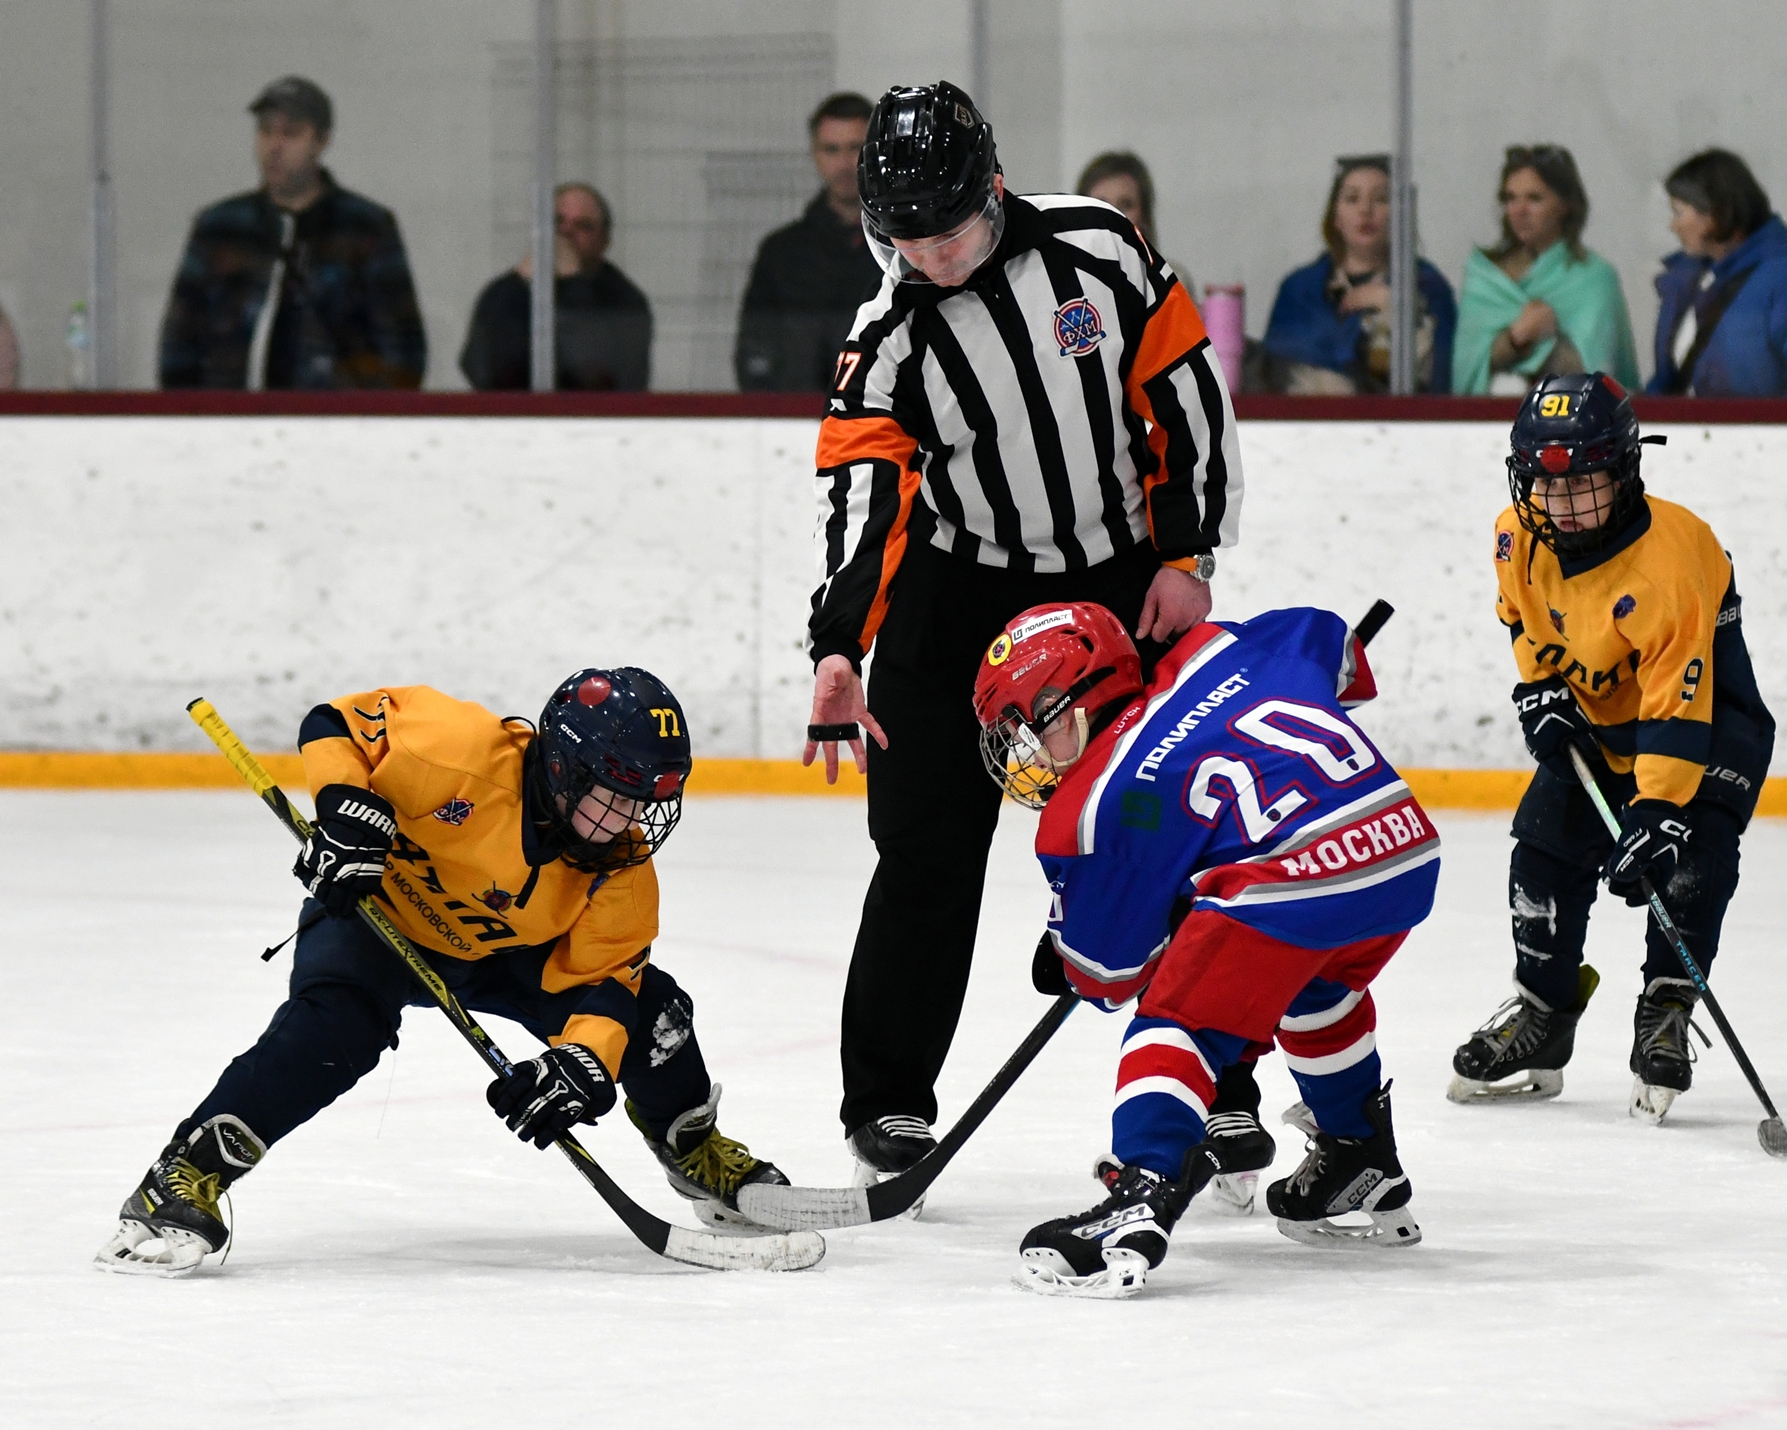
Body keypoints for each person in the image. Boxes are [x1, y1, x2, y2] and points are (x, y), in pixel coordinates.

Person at [801, 82, 1245, 1193]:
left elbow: (1183, 397)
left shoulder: (1100, 251)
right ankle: (890, 1095)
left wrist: (1186, 557)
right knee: (925, 851)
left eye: (945, 231)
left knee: (1173, 823)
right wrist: (840, 645)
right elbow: (863, 497)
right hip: (952, 596)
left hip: (1112, 575)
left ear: (992, 190)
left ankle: (1218, 1079)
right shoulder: (885, 336)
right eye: (904, 237)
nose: (931, 257)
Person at [95, 667, 790, 1277]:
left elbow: (608, 984)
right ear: (566, 767)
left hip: (501, 957)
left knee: (658, 1016)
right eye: (617, 795)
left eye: (647, 801)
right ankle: (182, 1176)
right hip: (377, 913)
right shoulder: (458, 751)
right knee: (330, 1036)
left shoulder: (620, 867)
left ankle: (693, 1151)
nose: (633, 819)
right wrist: (344, 808)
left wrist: (580, 1063)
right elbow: (334, 722)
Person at [972, 602, 1438, 1297]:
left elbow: (1108, 974)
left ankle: (1142, 1191)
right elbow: (1332, 640)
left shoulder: (1098, 801)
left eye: (1025, 723)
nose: (1024, 752)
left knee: (1177, 1021)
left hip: (1292, 872)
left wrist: (1070, 945)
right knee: (1318, 990)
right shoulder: (1226, 647)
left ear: (1076, 693)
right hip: (1400, 850)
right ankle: (1359, 1156)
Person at [1449, 372, 1776, 1124]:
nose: (1562, 508)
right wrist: (1541, 690)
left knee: (1691, 862)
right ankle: (1543, 1017)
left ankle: (1665, 1008)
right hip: (1601, 717)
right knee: (1541, 851)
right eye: (1546, 488)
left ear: (1627, 471)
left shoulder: (1669, 562)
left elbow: (1679, 701)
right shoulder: (1513, 535)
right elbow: (1522, 618)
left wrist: (1658, 808)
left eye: (1584, 485)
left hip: (1705, 724)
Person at [158, 77, 425, 389]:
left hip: (334, 425)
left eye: (290, 134)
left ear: (322, 142)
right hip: (228, 423)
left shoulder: (364, 228)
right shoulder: (220, 228)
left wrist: (354, 418)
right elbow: (178, 345)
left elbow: (404, 354)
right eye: (265, 131)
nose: (274, 146)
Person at [1647, 148, 1787, 397]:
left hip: (1761, 434)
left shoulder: (1786, 280)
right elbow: (1669, 382)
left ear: (1715, 213)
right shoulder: (1689, 282)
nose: (1674, 226)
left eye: (1679, 212)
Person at [1451, 144, 1640, 397]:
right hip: (1489, 427)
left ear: (1564, 205)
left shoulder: (1594, 278)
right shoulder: (1484, 276)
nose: (1519, 211)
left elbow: (1600, 378)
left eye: (1534, 199)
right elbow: (1465, 371)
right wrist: (1516, 338)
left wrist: (1549, 340)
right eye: (1510, 198)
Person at [1260, 154, 1456, 394]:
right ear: (1335, 218)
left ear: (1399, 215)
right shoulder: (1299, 289)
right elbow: (1276, 372)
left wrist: (1392, 304)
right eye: (1352, 199)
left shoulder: (1428, 286)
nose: (1365, 210)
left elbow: (1438, 381)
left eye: (1381, 199)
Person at [734, 92, 882, 391]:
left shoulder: (908, 249)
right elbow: (753, 353)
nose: (844, 163)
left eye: (856, 148)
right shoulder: (781, 254)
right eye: (831, 149)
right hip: (794, 424)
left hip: (887, 423)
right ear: (814, 155)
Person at [460, 182, 653, 391]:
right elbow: (482, 371)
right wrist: (519, 285)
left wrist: (573, 284)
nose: (565, 232)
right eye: (556, 221)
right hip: (516, 419)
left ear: (604, 241)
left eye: (583, 226)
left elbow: (601, 375)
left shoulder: (625, 299)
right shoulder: (505, 291)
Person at [1076, 150, 1196, 302]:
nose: (1113, 215)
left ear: (1144, 216)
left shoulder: (1171, 283)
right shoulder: (1059, 283)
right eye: (1101, 204)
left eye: (1125, 205)